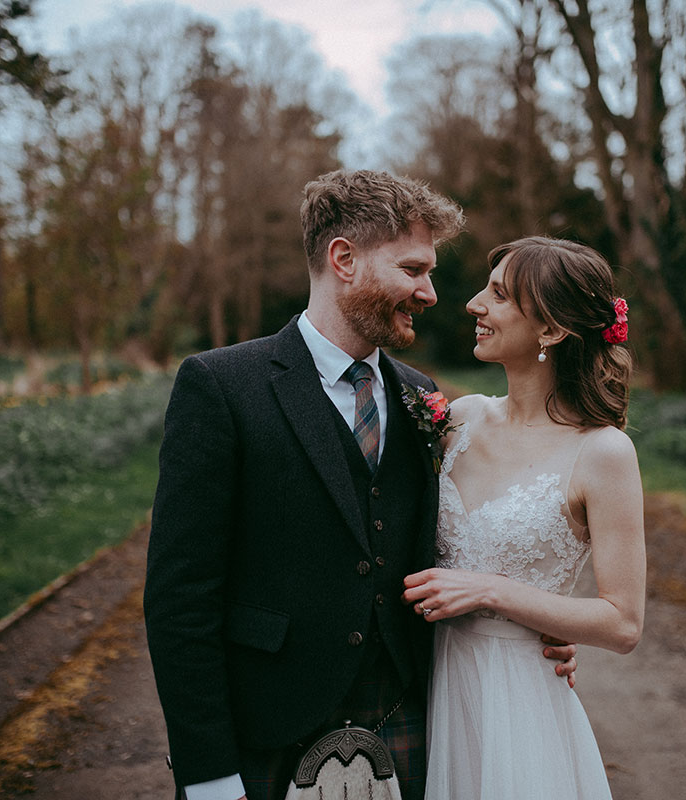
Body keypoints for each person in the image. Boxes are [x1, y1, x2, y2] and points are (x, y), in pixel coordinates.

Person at [144, 171, 578, 800]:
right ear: (343, 258)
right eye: (412, 269)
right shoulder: (222, 387)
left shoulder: (421, 396)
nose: (430, 292)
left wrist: (537, 626)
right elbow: (180, 597)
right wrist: (208, 773)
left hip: (406, 720)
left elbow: (450, 550)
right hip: (265, 730)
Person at [402, 236, 647, 800]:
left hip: (515, 701)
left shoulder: (603, 454)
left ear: (552, 331)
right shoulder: (459, 420)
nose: (472, 304)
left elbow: (624, 623)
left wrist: (494, 591)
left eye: (499, 295)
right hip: (426, 680)